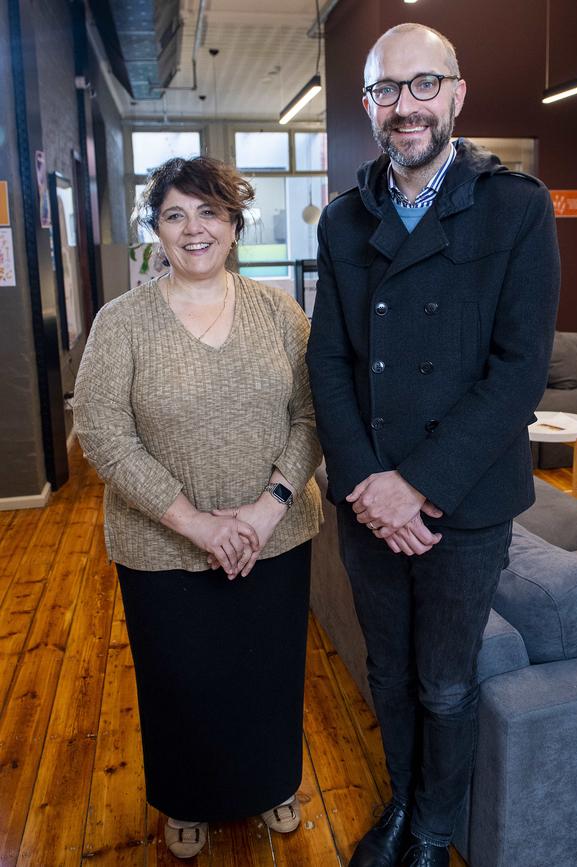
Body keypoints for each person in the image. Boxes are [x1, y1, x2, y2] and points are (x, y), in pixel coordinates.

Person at [306, 23, 560, 867]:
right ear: (368, 105)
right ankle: (405, 801)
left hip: (466, 499)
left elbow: (519, 373)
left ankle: (434, 830)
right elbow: (330, 362)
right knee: (389, 674)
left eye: (423, 86)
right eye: (387, 90)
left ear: (456, 95)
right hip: (368, 497)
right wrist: (366, 484)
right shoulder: (345, 219)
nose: (404, 105)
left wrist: (414, 486)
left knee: (447, 682)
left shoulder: (517, 207)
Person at [74, 156, 322, 860]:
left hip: (276, 536)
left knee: (268, 671)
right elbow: (103, 436)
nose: (194, 228)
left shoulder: (280, 311)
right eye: (176, 214)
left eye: (209, 212)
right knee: (180, 677)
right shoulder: (121, 322)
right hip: (161, 548)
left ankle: (272, 782)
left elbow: (310, 417)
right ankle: (186, 799)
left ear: (235, 225)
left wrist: (268, 509)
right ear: (156, 230)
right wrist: (197, 523)